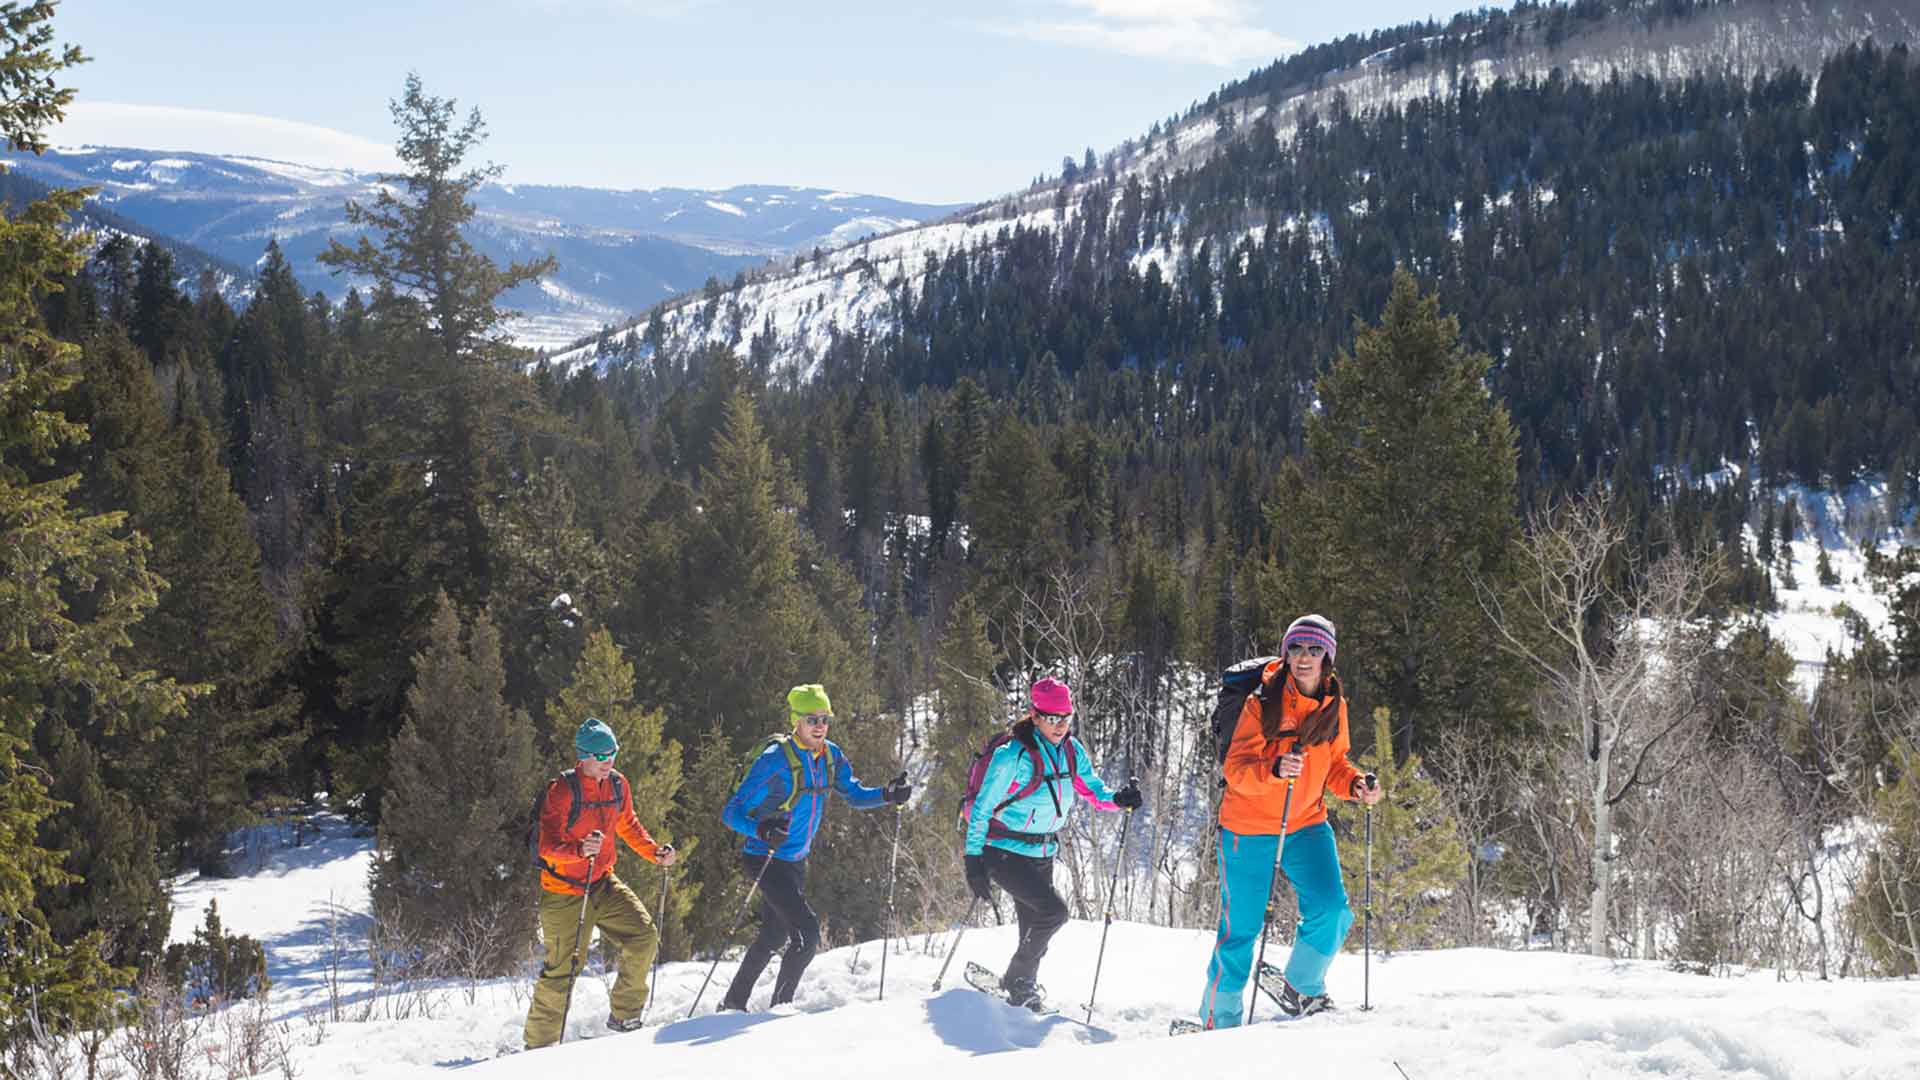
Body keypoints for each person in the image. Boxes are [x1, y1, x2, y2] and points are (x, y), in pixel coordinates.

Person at [1199, 614, 1383, 1028]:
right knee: (1240, 933)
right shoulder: (1260, 703)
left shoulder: (1335, 705)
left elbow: (1334, 763)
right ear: (1286, 652)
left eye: (1314, 650)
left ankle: (1301, 984)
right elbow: (1237, 769)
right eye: (1296, 648)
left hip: (1305, 823)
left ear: (1328, 658)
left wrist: (1355, 784)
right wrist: (1275, 769)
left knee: (1333, 910)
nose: (1304, 658)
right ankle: (1218, 1022)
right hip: (1247, 827)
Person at [718, 683, 910, 1010]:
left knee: (774, 936)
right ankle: (780, 1009)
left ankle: (733, 1004)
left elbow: (854, 793)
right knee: (807, 936)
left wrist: (886, 794)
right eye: (812, 719)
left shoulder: (831, 755)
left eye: (824, 718)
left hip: (795, 861)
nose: (820, 725)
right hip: (764, 856)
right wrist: (761, 829)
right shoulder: (774, 760)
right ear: (796, 721)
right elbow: (730, 812)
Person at [963, 677, 1142, 1010]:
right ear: (1034, 714)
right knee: (1054, 913)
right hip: (1002, 850)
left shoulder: (1071, 751)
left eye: (1066, 717)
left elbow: (1093, 790)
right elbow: (982, 809)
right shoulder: (1012, 756)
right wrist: (973, 860)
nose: (1060, 725)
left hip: (1042, 851)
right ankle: (1016, 979)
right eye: (1052, 717)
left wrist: (1119, 798)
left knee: (1035, 932)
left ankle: (1022, 991)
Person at [524, 717, 679, 1048]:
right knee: (563, 970)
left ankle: (625, 1017)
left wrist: (655, 853)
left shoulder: (618, 784)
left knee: (643, 937)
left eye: (613, 753)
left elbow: (629, 825)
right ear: (583, 757)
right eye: (602, 755)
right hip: (563, 891)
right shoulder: (562, 791)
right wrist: (579, 850)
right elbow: (546, 847)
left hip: (603, 882)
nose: (609, 760)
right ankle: (537, 1049)